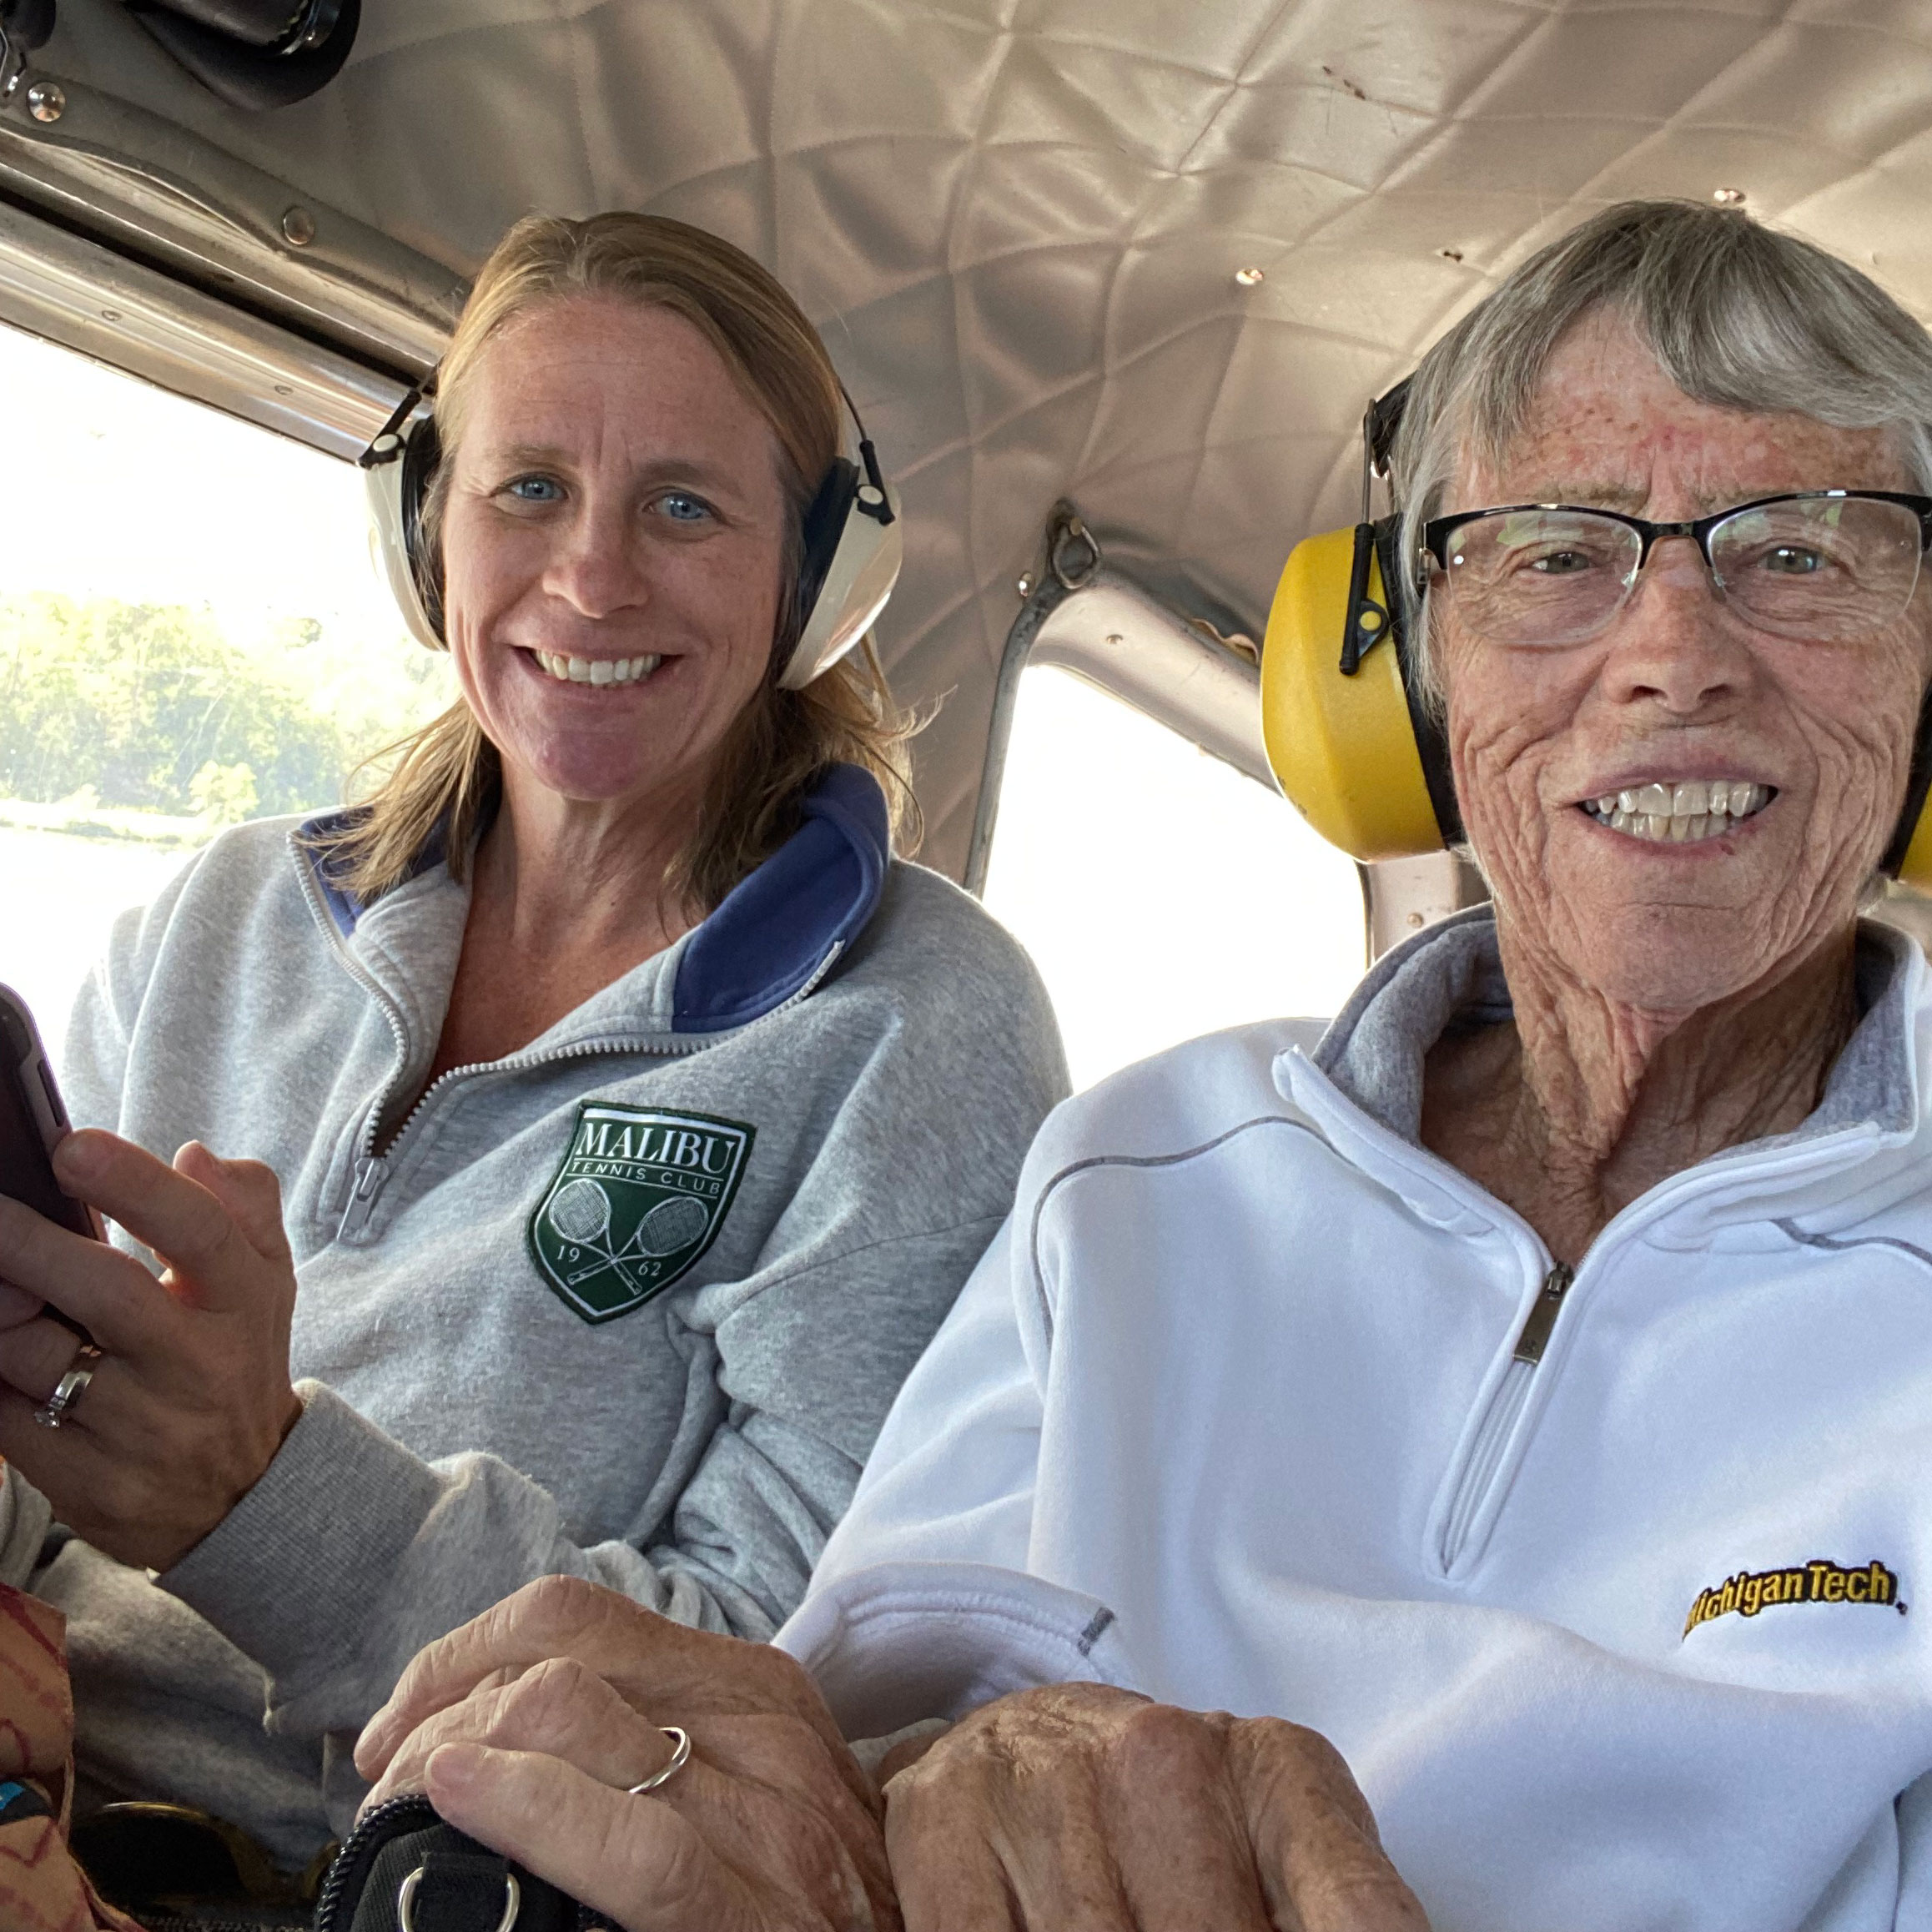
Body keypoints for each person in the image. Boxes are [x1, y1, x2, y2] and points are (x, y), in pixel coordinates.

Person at [356, 199, 1932, 1932]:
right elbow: (848, 1743)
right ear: (1413, 670)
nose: (1675, 654)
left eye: (1802, 550)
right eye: (1556, 554)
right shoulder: (1140, 1168)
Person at [0, 210, 1067, 1875]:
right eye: (528, 491)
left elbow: (770, 1702)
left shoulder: (912, 1032)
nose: (590, 578)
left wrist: (257, 1502)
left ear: (820, 585)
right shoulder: (216, 925)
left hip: (381, 1888)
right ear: (428, 536)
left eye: (684, 507)